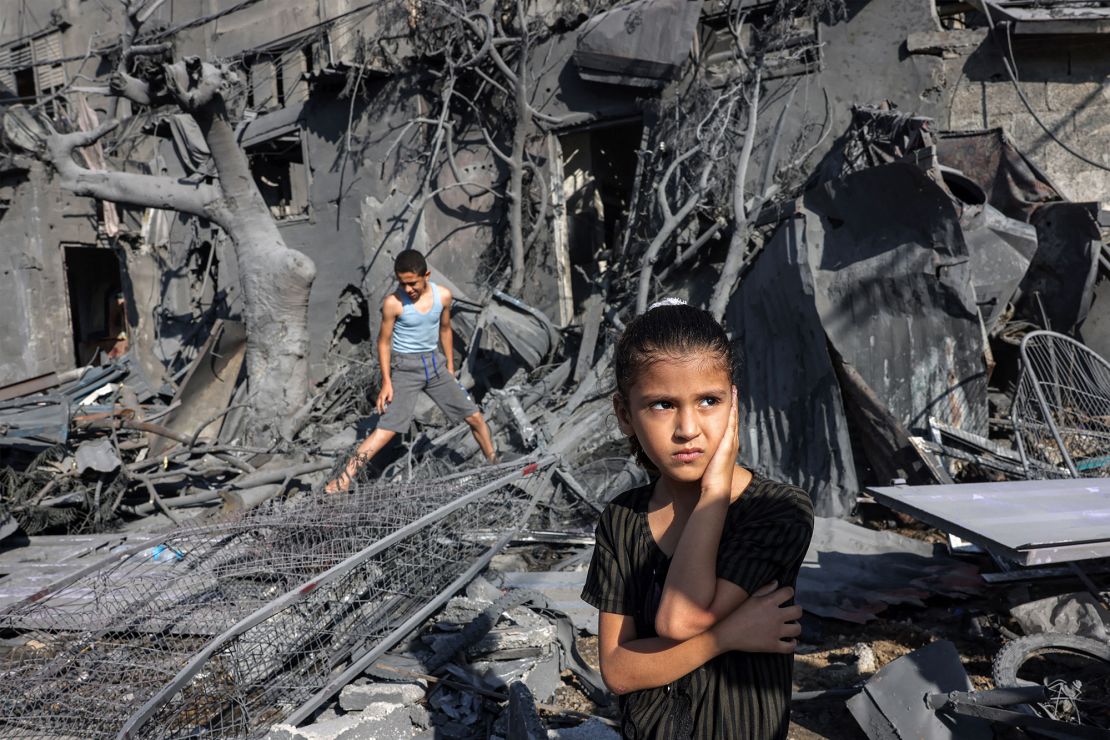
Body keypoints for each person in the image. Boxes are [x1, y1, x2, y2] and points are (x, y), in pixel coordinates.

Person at [581, 300, 814, 739]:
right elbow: (618, 670)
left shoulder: (777, 510)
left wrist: (714, 493)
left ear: (733, 403)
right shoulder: (623, 519)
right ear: (624, 414)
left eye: (709, 400)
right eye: (662, 405)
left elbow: (679, 619)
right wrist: (725, 636)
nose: (688, 428)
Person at [326, 250, 496, 492]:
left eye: (412, 283)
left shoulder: (443, 296)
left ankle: (494, 463)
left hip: (435, 366)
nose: (408, 289)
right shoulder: (393, 304)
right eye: (402, 283)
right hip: (406, 369)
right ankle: (343, 480)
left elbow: (445, 329)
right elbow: (383, 343)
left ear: (425, 275)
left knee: (475, 417)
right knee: (385, 431)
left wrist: (449, 365)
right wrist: (387, 382)